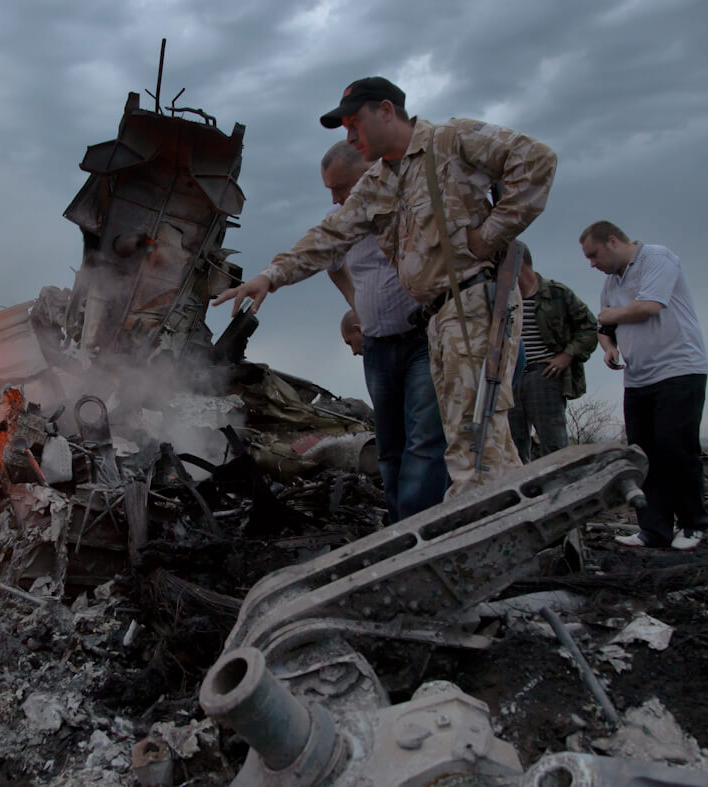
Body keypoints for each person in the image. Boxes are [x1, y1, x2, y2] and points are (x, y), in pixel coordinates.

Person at [213, 77, 557, 497]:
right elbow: (329, 235)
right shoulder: (379, 182)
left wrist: (490, 235)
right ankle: (519, 536)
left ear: (388, 111)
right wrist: (271, 276)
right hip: (439, 319)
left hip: (474, 304)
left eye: (355, 121)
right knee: (483, 445)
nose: (350, 134)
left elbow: (537, 160)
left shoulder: (449, 140)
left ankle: (473, 545)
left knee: (474, 444)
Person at [319, 142, 448, 521]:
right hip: (377, 345)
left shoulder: (409, 203)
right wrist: (357, 303)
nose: (337, 198)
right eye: (330, 190)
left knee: (425, 439)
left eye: (342, 187)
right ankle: (398, 526)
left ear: (370, 173)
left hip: (422, 339)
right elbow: (331, 264)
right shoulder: (338, 218)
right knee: (390, 445)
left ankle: (420, 532)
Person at [580, 220, 708, 550]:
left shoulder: (657, 258)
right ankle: (654, 529)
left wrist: (609, 317)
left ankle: (693, 524)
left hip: (678, 370)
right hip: (637, 378)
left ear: (612, 241)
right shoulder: (612, 281)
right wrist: (608, 348)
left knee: (677, 449)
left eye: (594, 255)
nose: (592, 265)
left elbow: (649, 307)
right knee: (644, 454)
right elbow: (604, 327)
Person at [509, 249, 598, 462]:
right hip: (510, 376)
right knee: (512, 447)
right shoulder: (503, 297)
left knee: (554, 444)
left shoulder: (556, 292)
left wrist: (567, 355)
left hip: (544, 373)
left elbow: (590, 327)